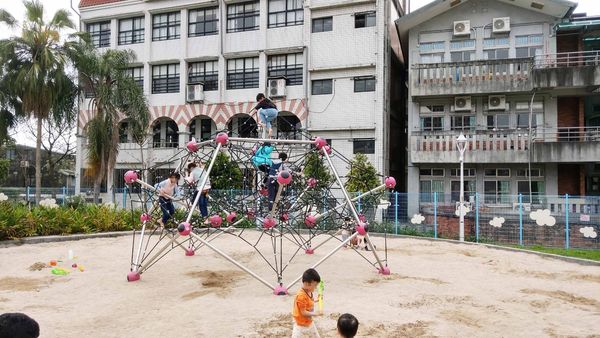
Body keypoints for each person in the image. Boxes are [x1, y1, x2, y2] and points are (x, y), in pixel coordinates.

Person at [292, 268, 322, 338]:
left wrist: (316, 300)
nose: (316, 288)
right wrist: (316, 313)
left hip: (309, 322)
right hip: (300, 324)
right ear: (307, 284)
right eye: (315, 285)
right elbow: (303, 312)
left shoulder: (309, 291)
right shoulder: (301, 296)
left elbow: (308, 302)